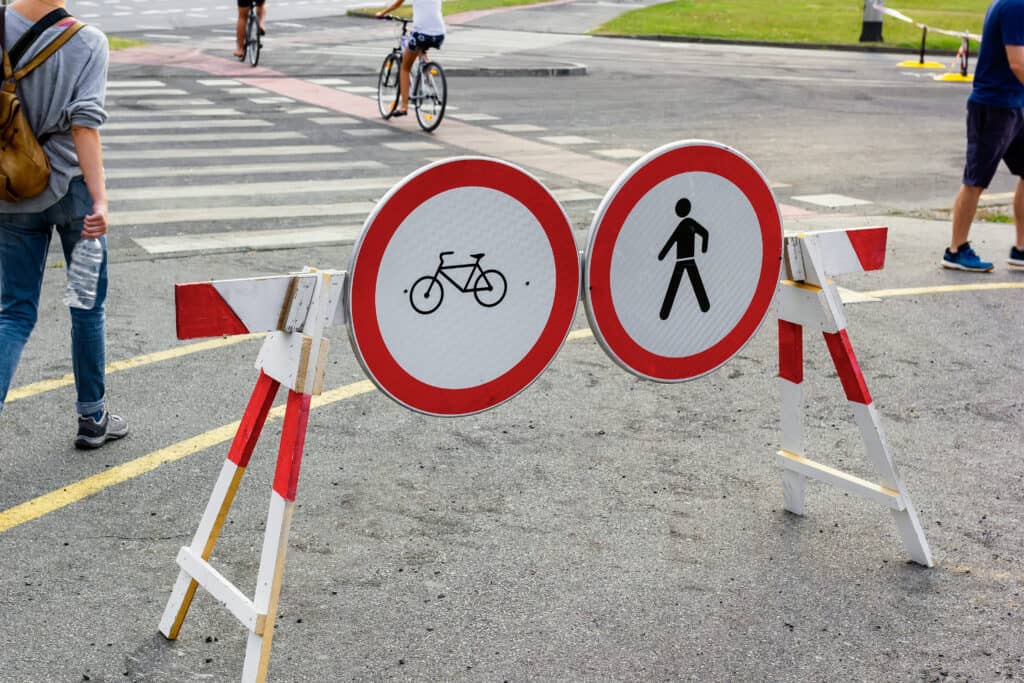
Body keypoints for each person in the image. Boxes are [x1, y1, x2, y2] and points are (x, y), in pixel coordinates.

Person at [0, 0, 128, 449]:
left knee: (14, 312)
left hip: (11, 188)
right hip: (74, 193)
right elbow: (84, 127)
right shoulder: (89, 41)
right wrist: (101, 200)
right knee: (86, 305)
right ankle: (92, 418)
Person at [943, 0, 1024, 272]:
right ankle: (956, 250)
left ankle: (1021, 249)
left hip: (1015, 104)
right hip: (994, 106)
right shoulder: (1015, 5)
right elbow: (1017, 63)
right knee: (976, 180)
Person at [375, 0, 445, 117]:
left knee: (405, 68)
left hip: (421, 34)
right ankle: (429, 79)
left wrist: (382, 13)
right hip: (439, 34)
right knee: (422, 50)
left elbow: (398, 3)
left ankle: (404, 107)